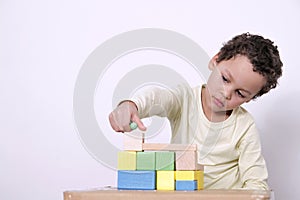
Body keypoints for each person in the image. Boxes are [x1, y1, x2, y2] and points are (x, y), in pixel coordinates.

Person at [109, 33, 283, 190]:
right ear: (215, 60)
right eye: (224, 78)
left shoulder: (245, 126)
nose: (226, 93)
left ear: (249, 99)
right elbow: (159, 98)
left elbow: (256, 182)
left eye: (240, 93)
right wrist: (132, 104)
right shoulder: (184, 99)